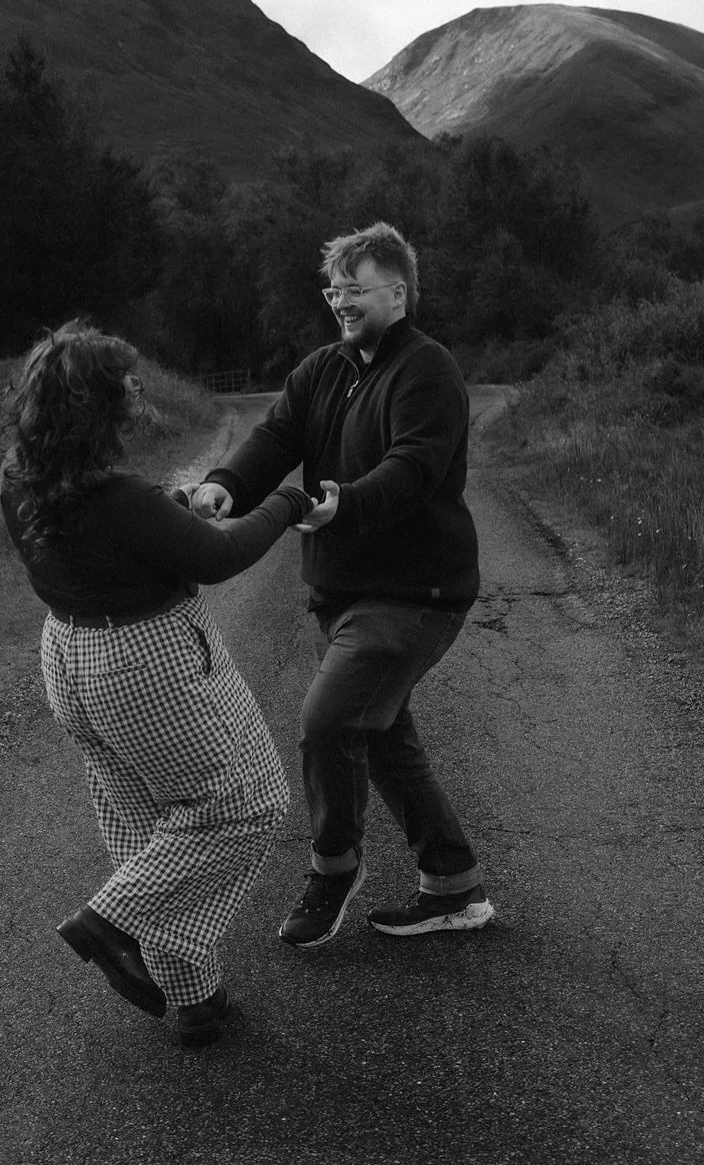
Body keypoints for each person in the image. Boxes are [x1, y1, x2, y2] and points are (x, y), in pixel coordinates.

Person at [0, 319, 336, 1047]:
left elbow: (112, 544)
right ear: (93, 405)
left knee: (142, 822)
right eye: (123, 383)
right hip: (145, 663)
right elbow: (218, 560)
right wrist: (287, 504)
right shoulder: (114, 497)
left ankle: (194, 997)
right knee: (242, 806)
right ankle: (108, 922)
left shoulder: (20, 477)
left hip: (69, 656)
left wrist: (175, 509)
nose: (136, 389)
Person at [189, 221, 493, 948]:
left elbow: (415, 465)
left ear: (397, 290)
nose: (340, 302)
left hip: (414, 593)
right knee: (382, 737)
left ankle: (332, 869)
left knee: (328, 723)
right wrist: (224, 486)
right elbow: (274, 438)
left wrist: (344, 501)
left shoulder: (427, 369)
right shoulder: (321, 369)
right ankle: (454, 888)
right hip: (343, 592)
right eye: (334, 290)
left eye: (354, 289)